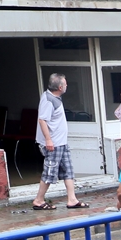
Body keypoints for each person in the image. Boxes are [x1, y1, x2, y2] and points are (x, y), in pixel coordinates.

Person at [32, 72, 88, 211]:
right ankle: (38, 200)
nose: (67, 85)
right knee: (50, 172)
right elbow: (42, 120)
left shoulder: (54, 97)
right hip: (54, 144)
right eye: (65, 83)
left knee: (68, 170)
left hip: (61, 142)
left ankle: (72, 199)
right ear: (60, 87)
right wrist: (48, 140)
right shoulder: (48, 100)